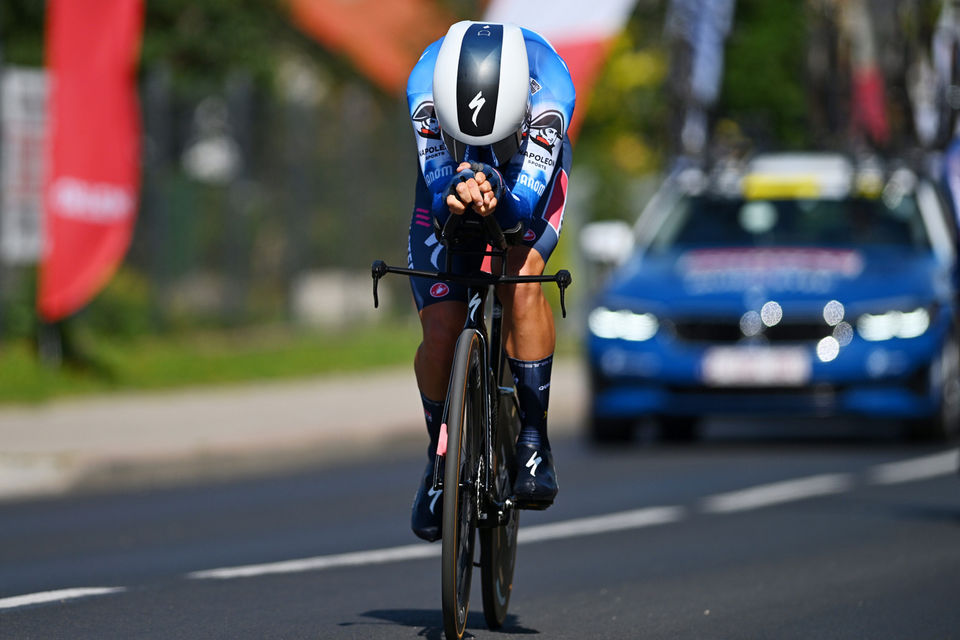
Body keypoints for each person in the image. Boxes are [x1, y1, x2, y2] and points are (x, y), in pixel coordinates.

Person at [405, 20, 575, 542]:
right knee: (441, 328)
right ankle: (440, 459)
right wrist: (453, 191)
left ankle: (532, 437)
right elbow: (438, 193)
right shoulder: (424, 86)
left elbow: (521, 211)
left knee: (520, 273)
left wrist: (499, 194)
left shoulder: (552, 92)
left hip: (525, 177)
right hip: (454, 176)